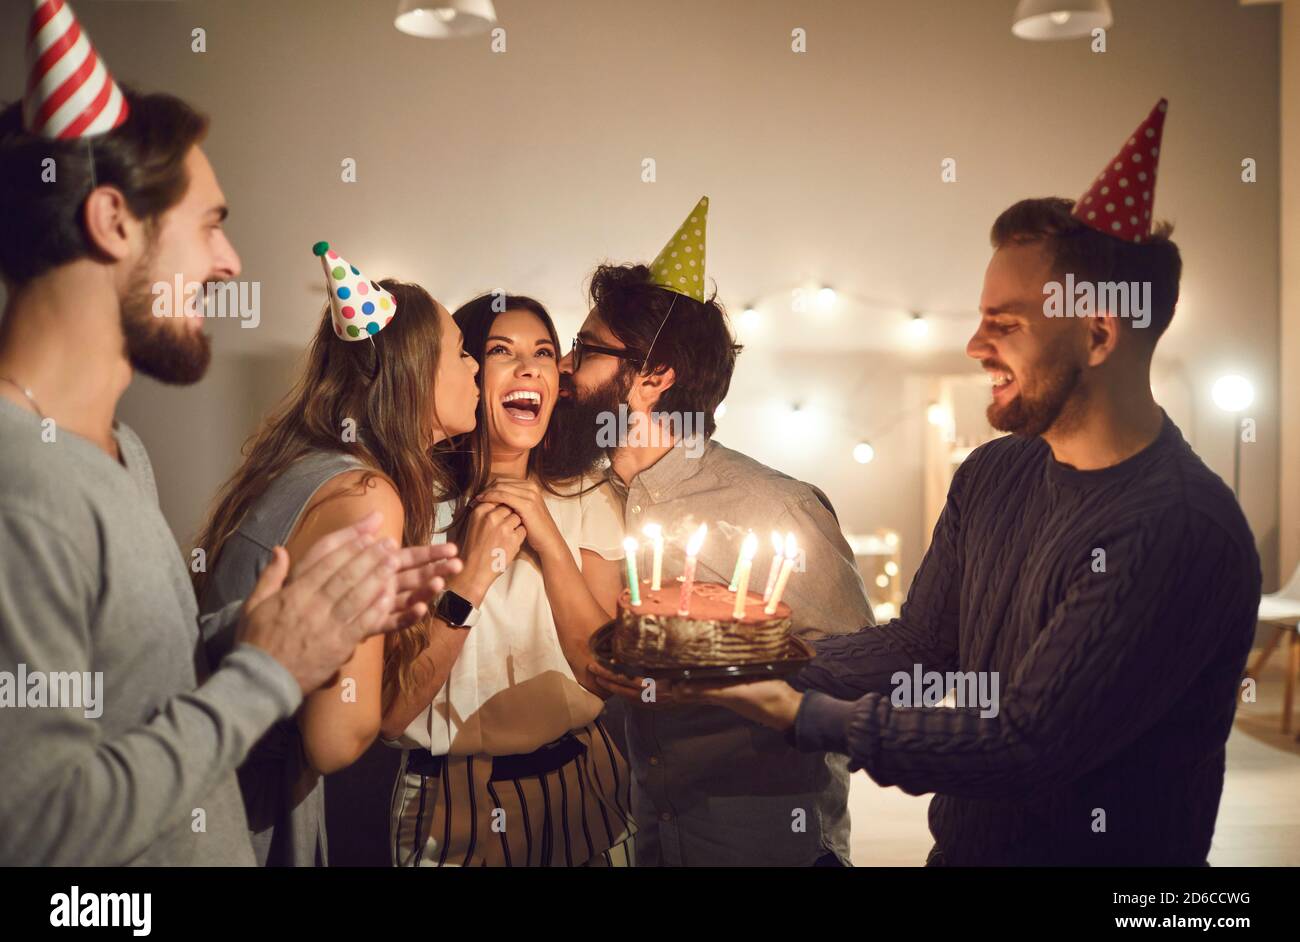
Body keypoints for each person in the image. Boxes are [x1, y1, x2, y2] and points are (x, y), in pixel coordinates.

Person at [687, 100, 1263, 866]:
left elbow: (1027, 742)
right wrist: (754, 662)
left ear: (1098, 334)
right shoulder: (996, 473)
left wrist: (805, 715)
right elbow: (927, 646)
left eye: (1007, 322)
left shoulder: (1179, 528)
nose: (973, 344)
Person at [0, 1, 457, 866]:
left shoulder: (116, 453)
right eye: (210, 224)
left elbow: (142, 691)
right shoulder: (19, 484)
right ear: (110, 221)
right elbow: (34, 831)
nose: (230, 263)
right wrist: (268, 672)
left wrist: (279, 626)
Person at [567, 198, 875, 866]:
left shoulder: (778, 508)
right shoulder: (586, 500)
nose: (567, 367)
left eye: (585, 351)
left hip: (767, 844)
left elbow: (862, 676)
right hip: (650, 834)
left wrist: (733, 676)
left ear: (652, 379)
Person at [190, 245, 480, 866]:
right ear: (414, 370)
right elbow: (336, 736)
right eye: (460, 349)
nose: (475, 364)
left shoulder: (311, 466)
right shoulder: (367, 497)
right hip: (243, 823)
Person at [382, 292, 636, 867]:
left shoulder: (589, 496)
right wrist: (470, 576)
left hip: (587, 783)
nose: (529, 367)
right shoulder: (405, 507)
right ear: (468, 372)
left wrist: (547, 539)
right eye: (502, 350)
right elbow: (390, 711)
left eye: (544, 352)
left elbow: (606, 673)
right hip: (450, 804)